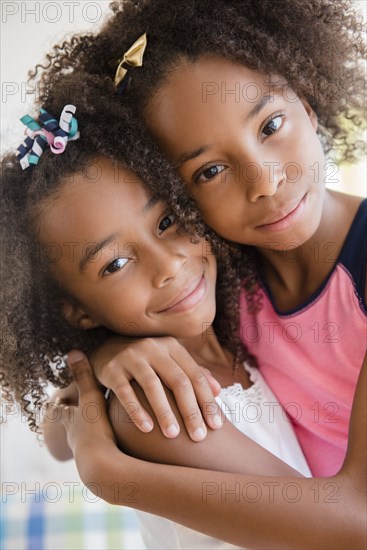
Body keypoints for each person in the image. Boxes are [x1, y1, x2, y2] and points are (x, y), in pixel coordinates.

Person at [32, 0, 366, 476]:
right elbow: (56, 429)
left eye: (270, 125)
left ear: (308, 106)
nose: (265, 182)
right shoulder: (221, 275)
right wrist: (107, 355)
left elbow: (357, 515)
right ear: (173, 191)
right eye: (209, 171)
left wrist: (105, 469)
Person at [0, 74, 311, 550]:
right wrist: (104, 462)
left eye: (166, 221)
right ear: (78, 312)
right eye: (116, 264)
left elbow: (59, 424)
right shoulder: (160, 407)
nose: (169, 265)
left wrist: (100, 360)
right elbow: (337, 528)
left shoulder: (239, 315)